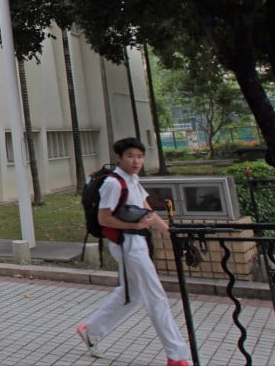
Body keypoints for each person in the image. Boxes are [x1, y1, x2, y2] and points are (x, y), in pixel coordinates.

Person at [76, 137, 190, 366]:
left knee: (131, 293)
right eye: (130, 156)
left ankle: (91, 330)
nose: (136, 161)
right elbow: (104, 217)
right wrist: (134, 226)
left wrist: (171, 234)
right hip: (127, 245)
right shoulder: (114, 183)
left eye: (139, 156)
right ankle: (177, 356)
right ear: (119, 157)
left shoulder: (133, 180)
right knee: (155, 297)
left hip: (137, 244)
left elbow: (147, 211)